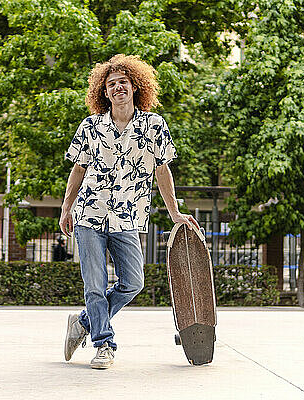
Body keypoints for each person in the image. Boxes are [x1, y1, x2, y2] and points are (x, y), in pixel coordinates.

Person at [59, 54, 200, 369]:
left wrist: (175, 212)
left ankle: (82, 322)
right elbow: (78, 170)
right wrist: (66, 207)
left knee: (133, 282)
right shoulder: (91, 126)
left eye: (123, 82)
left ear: (135, 86)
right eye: (111, 84)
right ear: (104, 92)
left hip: (127, 217)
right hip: (89, 214)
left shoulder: (153, 125)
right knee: (94, 284)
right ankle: (103, 343)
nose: (117, 87)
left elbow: (163, 171)